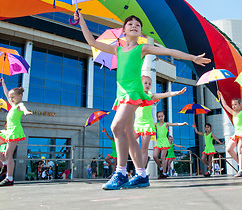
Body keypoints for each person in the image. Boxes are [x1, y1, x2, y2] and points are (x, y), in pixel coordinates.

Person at [74, 12, 210, 190]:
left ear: (140, 32)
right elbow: (92, 42)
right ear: (123, 30)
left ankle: (121, 173)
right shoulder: (118, 50)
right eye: (130, 24)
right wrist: (82, 21)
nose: (134, 26)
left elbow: (168, 51)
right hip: (121, 93)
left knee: (116, 127)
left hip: (133, 92)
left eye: (137, 25)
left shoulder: (142, 48)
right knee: (129, 135)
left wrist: (192, 58)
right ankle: (141, 175)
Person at [135, 75, 186, 168]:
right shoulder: (136, 94)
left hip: (147, 124)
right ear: (140, 84)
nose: (147, 85)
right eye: (145, 83)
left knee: (144, 148)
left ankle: (141, 172)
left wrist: (177, 93)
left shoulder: (151, 96)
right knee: (128, 141)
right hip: (137, 124)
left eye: (149, 84)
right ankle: (136, 163)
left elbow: (165, 94)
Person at [0, 78, 32, 186]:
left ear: (20, 96)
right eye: (10, 97)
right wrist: (4, 84)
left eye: (13, 97)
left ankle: (9, 178)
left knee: (8, 154)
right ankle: (4, 164)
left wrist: (26, 111)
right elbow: (6, 93)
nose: (11, 99)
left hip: (14, 132)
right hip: (8, 131)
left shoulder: (19, 105)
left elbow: (23, 107)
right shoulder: (13, 105)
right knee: (6, 155)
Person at [154, 111, 188, 179]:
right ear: (157, 118)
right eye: (159, 116)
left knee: (162, 158)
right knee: (155, 156)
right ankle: (161, 167)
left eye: (162, 116)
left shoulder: (166, 124)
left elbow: (174, 124)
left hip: (165, 142)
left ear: (164, 116)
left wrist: (182, 124)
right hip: (159, 142)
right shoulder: (156, 124)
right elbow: (149, 126)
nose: (161, 118)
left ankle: (164, 173)